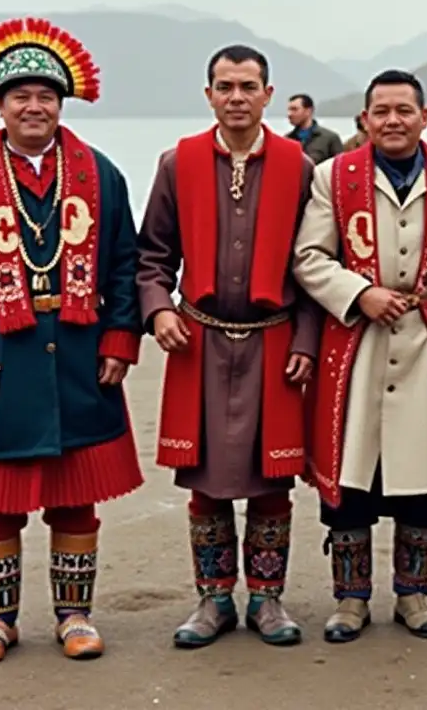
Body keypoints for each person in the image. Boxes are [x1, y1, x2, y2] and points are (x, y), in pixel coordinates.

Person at [0, 17, 146, 666]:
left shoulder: (100, 174)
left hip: (80, 354)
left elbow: (123, 264)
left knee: (76, 496)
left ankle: (75, 615)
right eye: (21, 97)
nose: (34, 107)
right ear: (0, 105)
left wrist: (119, 342)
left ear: (61, 103)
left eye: (46, 96)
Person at [293, 69, 427, 644]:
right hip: (354, 345)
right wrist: (361, 294)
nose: (394, 121)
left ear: (425, 117)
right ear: (365, 119)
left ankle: (414, 595)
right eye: (382, 111)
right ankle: (350, 601)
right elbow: (308, 256)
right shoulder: (334, 176)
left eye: (405, 110)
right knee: (353, 475)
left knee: (422, 477)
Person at [136, 44, 318, 649]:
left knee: (273, 479)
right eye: (224, 86)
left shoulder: (301, 167)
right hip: (201, 341)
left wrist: (310, 341)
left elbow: (318, 264)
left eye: (248, 86)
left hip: (276, 342)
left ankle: (267, 600)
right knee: (206, 479)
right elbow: (152, 258)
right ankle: (213, 599)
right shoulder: (176, 163)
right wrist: (158, 309)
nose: (236, 97)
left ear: (269, 94)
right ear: (208, 93)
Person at [286, 92, 344, 163]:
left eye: (294, 109)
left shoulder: (330, 138)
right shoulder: (287, 139)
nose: (289, 114)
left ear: (309, 111)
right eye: (289, 110)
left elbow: (340, 166)